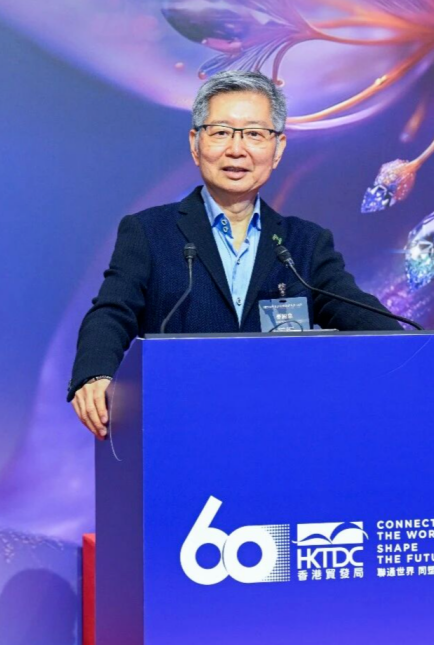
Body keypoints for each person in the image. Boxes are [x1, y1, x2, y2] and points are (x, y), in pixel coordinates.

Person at [68, 71, 402, 440]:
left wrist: (415, 350)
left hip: (280, 434)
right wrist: (94, 373)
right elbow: (113, 311)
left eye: (254, 134)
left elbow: (363, 316)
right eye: (221, 132)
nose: (236, 150)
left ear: (278, 149)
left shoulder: (304, 243)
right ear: (195, 143)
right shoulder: (149, 232)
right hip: (180, 431)